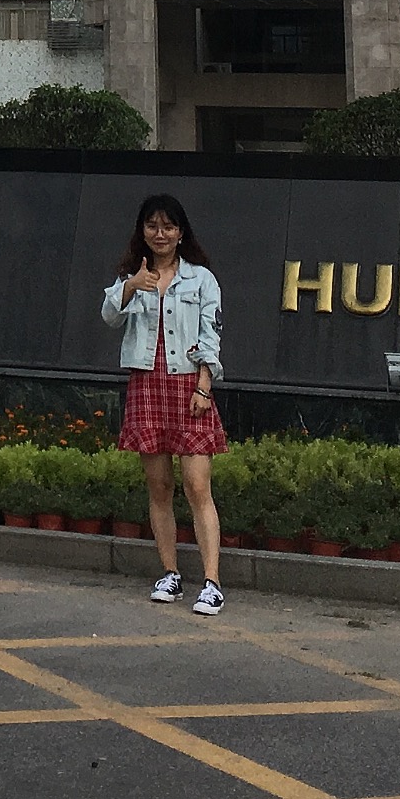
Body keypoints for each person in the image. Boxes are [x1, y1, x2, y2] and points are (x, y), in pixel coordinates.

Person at [100, 191, 226, 614]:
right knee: (159, 486)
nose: (160, 234)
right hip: (146, 383)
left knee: (196, 485)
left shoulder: (201, 280)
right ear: (142, 231)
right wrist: (131, 287)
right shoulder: (132, 277)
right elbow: (108, 316)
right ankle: (170, 573)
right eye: (152, 226)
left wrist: (204, 385)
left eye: (168, 226)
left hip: (189, 384)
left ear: (181, 232)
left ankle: (211, 581)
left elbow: (211, 336)